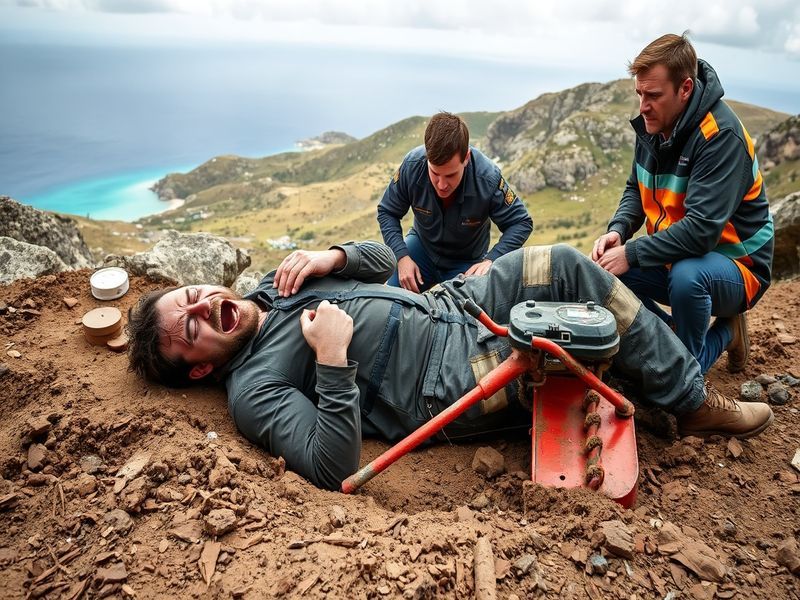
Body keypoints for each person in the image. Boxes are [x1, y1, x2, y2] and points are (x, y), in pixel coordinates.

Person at [126, 240, 773, 492]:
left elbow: (383, 261)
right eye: (190, 330)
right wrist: (330, 360)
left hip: (451, 303)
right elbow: (330, 462)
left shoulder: (276, 283)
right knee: (561, 343)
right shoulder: (254, 390)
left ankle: (677, 393)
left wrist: (331, 257)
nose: (205, 309)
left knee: (569, 266)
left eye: (193, 297)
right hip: (446, 379)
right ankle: (685, 403)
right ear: (200, 372)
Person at [592, 33, 773, 375]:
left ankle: (712, 346)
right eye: (639, 94)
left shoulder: (720, 137)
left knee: (690, 277)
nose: (643, 105)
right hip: (677, 254)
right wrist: (618, 232)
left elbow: (702, 232)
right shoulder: (653, 123)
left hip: (737, 265)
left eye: (654, 95)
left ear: (685, 89)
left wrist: (631, 253)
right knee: (606, 276)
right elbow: (636, 187)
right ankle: (671, 342)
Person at [377, 111, 533, 292]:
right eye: (435, 173)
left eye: (451, 175)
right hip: (421, 249)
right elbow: (387, 212)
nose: (442, 185)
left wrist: (492, 259)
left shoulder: (487, 178)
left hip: (466, 262)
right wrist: (401, 257)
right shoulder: (412, 166)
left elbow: (521, 222)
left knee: (467, 316)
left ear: (466, 158)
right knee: (391, 297)